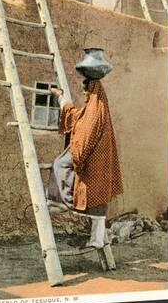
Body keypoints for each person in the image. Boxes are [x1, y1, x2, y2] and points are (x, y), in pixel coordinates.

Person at [47, 79, 123, 248]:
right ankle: (98, 241)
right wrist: (61, 98)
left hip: (93, 159)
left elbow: (85, 133)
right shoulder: (97, 109)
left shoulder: (95, 112)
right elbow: (76, 115)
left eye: (86, 92)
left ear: (93, 92)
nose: (84, 94)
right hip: (101, 163)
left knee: (60, 164)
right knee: (98, 202)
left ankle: (63, 201)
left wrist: (78, 156)